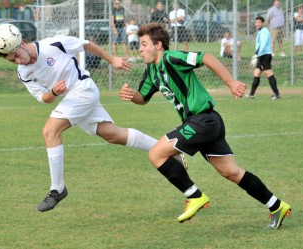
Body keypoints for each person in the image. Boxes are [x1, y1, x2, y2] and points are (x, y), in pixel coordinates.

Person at [0, 24, 187, 212]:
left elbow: (85, 44)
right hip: (70, 100)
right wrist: (52, 92)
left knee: (50, 131)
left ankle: (57, 188)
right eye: (12, 60)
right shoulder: (24, 72)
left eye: (17, 55)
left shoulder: (54, 44)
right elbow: (43, 98)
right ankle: (169, 151)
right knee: (113, 135)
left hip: (83, 90)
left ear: (23, 43)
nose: (18, 61)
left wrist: (112, 60)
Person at [119, 22, 291, 229]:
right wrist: (131, 96)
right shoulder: (151, 71)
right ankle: (276, 206)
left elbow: (206, 57)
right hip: (208, 122)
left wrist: (231, 83)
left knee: (156, 154)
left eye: (144, 44)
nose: (140, 49)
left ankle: (194, 196)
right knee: (231, 172)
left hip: (202, 120)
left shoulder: (171, 57)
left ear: (158, 45)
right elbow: (143, 97)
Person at [246, 16, 281, 100]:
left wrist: (256, 54)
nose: (257, 24)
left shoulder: (264, 31)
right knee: (256, 73)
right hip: (261, 55)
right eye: (256, 22)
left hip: (265, 55)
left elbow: (264, 44)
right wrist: (257, 54)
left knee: (268, 73)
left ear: (262, 23)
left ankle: (277, 94)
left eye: (259, 22)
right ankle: (251, 94)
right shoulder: (261, 31)